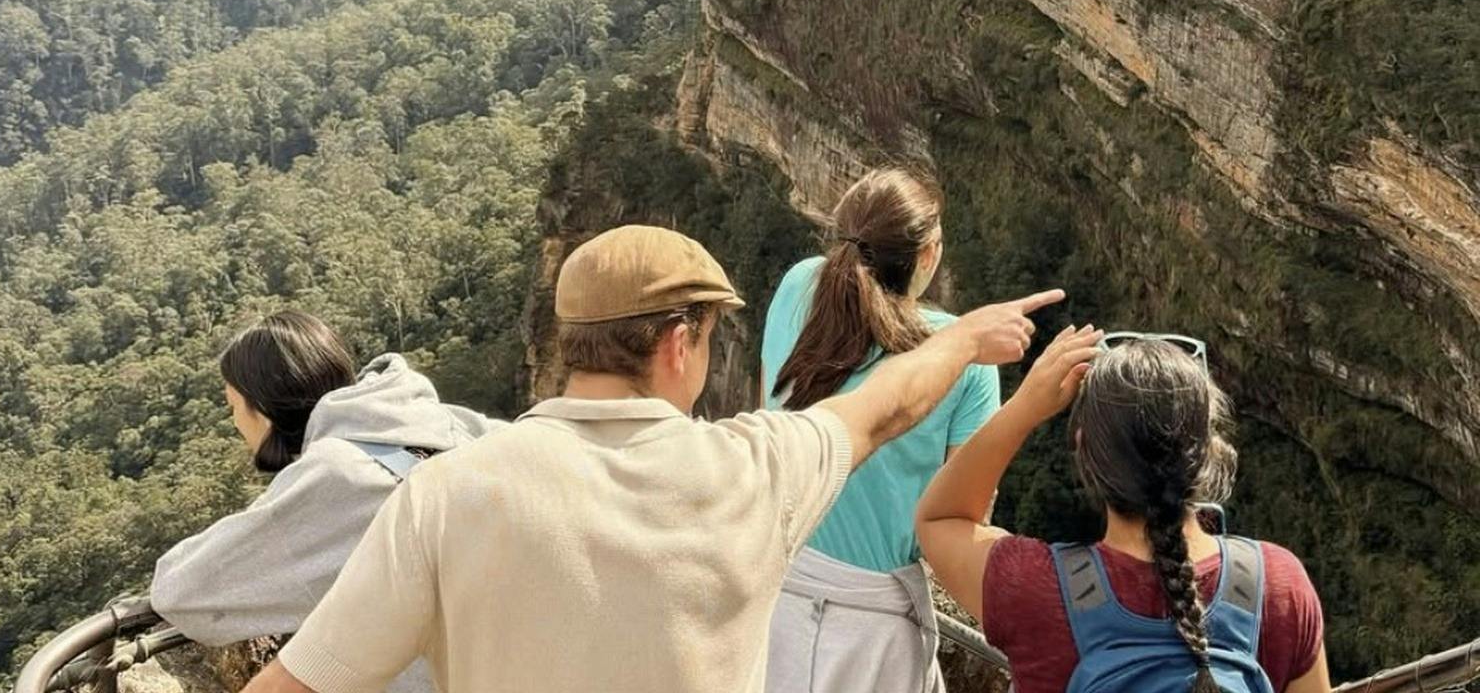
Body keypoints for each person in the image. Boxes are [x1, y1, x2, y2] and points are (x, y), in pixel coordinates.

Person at [237, 224, 1064, 693]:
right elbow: (888, 406)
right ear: (679, 343)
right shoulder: (755, 472)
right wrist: (964, 339)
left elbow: (295, 687)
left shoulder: (447, 492)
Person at [917, 330, 1330, 693]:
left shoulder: (1035, 590)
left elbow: (939, 518)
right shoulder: (1279, 584)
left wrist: (1026, 406)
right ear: (1208, 453)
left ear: (1085, 452)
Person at [151, 309, 502, 693]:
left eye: (233, 406)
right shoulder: (461, 426)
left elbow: (182, 591)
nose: (234, 421)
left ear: (262, 410)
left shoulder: (339, 475)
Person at [760, 167, 1001, 693]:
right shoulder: (965, 356)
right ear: (929, 255)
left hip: (772, 590)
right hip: (874, 630)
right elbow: (966, 518)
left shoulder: (799, 284)